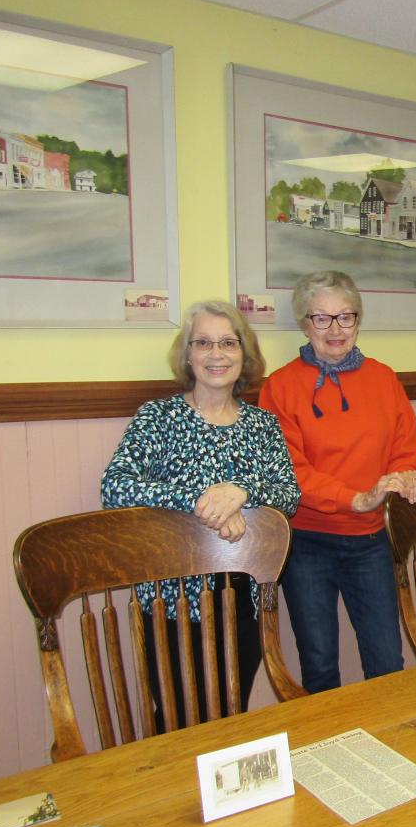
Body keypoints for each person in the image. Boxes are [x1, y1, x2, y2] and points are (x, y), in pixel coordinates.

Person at [101, 300, 300, 728]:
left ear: (244, 354)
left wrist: (242, 492)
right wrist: (205, 501)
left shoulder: (262, 425)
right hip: (170, 599)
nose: (217, 354)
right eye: (204, 343)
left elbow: (288, 495)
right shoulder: (158, 418)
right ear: (187, 354)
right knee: (175, 721)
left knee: (230, 716)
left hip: (244, 599)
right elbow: (115, 488)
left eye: (229, 342)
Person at [259, 271, 416, 693]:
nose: (335, 330)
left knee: (387, 662)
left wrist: (407, 475)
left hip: (371, 542)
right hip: (307, 544)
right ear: (304, 323)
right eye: (322, 318)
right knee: (319, 668)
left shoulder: (384, 379)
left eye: (346, 317)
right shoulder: (280, 387)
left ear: (358, 320)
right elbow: (290, 472)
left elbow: (406, 448)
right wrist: (355, 499)